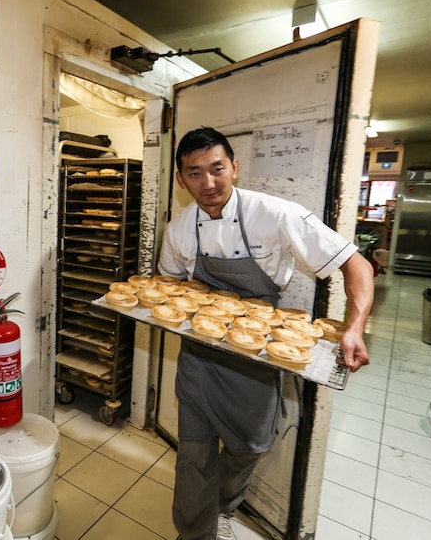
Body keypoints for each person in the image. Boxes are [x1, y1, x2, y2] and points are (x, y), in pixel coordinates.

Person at [157, 127, 373, 540]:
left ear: (234, 168)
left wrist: (355, 327)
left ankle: (222, 505)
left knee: (251, 445)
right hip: (200, 357)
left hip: (259, 354)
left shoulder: (276, 214)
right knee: (193, 453)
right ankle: (193, 532)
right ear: (182, 180)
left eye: (217, 169)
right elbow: (169, 288)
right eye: (195, 173)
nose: (208, 183)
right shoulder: (179, 229)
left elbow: (355, 264)